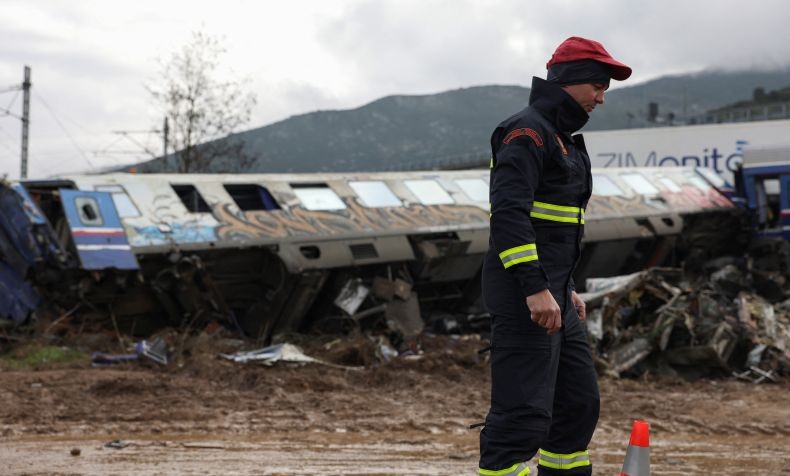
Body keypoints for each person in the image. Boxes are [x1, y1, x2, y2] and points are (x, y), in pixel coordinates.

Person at [479, 37, 632, 476]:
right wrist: (536, 289)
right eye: (597, 86)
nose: (601, 97)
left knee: (577, 407)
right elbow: (508, 217)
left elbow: (554, 231)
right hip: (524, 296)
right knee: (521, 418)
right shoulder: (527, 132)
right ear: (568, 81)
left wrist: (564, 290)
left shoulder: (562, 137)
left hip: (555, 295)